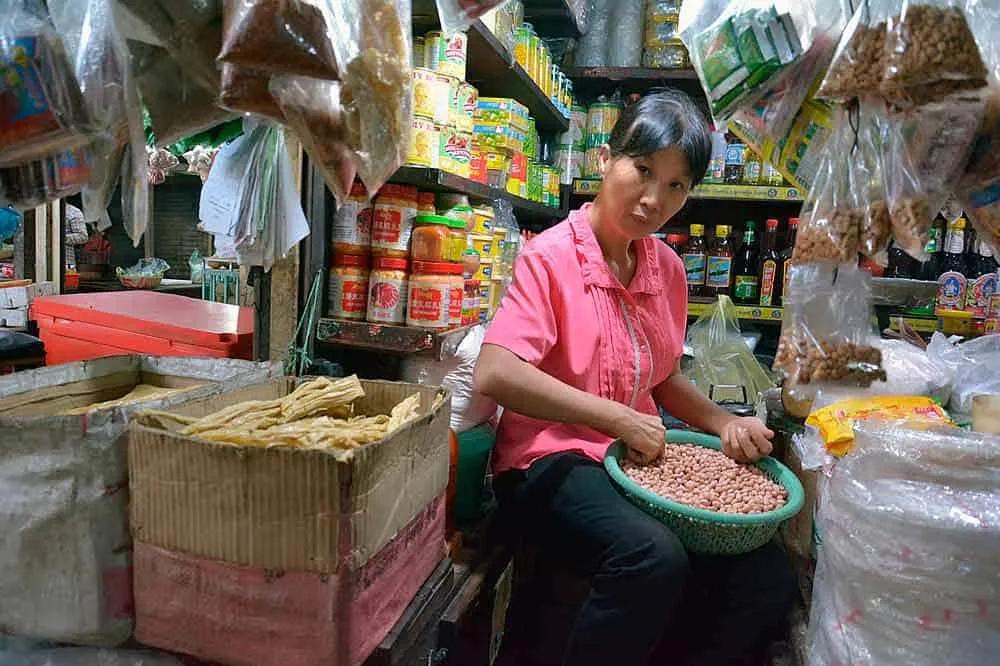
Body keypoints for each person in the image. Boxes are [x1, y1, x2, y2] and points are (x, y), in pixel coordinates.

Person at [473, 90, 796, 666]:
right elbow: (496, 371)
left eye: (676, 185)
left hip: (631, 458)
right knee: (651, 556)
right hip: (547, 463)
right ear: (605, 160)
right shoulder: (550, 257)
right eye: (643, 170)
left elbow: (664, 375)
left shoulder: (665, 268)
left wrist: (725, 423)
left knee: (766, 573)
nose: (653, 199)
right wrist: (617, 416)